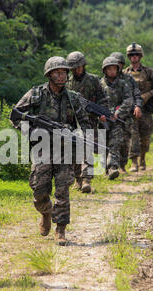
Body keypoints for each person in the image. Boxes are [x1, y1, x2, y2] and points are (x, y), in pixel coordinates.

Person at [11, 56, 92, 245]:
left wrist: (82, 138)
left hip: (65, 151)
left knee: (63, 190)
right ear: (49, 74)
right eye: (57, 72)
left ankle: (60, 229)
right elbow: (15, 115)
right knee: (39, 189)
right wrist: (32, 132)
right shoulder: (36, 94)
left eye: (64, 72)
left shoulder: (73, 98)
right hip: (42, 149)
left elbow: (85, 122)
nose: (61, 75)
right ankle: (46, 213)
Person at [66, 51, 109, 193]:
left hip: (90, 119)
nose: (78, 69)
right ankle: (77, 180)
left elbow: (102, 98)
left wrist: (102, 113)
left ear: (84, 66)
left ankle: (86, 180)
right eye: (75, 67)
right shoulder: (67, 82)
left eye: (80, 66)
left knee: (88, 149)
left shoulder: (93, 80)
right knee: (74, 150)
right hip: (72, 120)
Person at [100, 56, 142, 180]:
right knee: (102, 144)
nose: (112, 71)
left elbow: (129, 100)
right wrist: (99, 115)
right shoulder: (99, 84)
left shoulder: (124, 83)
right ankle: (104, 168)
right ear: (105, 70)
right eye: (109, 69)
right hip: (102, 120)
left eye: (114, 69)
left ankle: (113, 167)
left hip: (117, 119)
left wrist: (119, 112)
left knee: (116, 143)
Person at [124, 43, 153, 171]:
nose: (134, 57)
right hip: (131, 109)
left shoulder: (149, 72)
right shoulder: (125, 73)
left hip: (146, 109)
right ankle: (134, 162)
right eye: (132, 55)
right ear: (129, 57)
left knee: (145, 136)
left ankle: (143, 159)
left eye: (136, 55)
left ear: (140, 56)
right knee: (132, 135)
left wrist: (148, 95)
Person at [110, 51, 142, 172]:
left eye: (118, 64)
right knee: (110, 140)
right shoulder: (104, 80)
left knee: (125, 140)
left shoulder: (128, 78)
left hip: (126, 114)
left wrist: (137, 106)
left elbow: (137, 94)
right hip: (109, 114)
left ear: (122, 65)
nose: (115, 66)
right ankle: (110, 166)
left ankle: (122, 164)